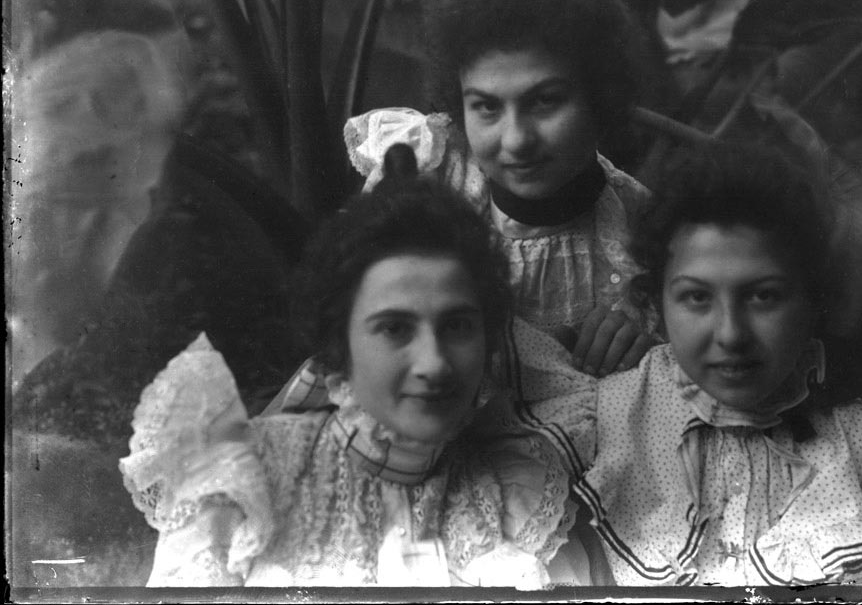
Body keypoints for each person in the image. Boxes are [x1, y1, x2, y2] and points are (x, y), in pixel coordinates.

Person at [513, 140, 862, 586]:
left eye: (763, 297)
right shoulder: (608, 423)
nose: (731, 334)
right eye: (696, 298)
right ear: (656, 304)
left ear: (813, 301)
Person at [118, 149, 572, 586]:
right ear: (340, 346)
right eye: (395, 328)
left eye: (457, 326)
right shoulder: (246, 480)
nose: (434, 363)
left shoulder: (507, 499)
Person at [345, 0, 661, 377]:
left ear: (599, 99)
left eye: (545, 101)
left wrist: (642, 339)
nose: (516, 140)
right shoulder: (428, 179)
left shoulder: (639, 225)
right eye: (487, 107)